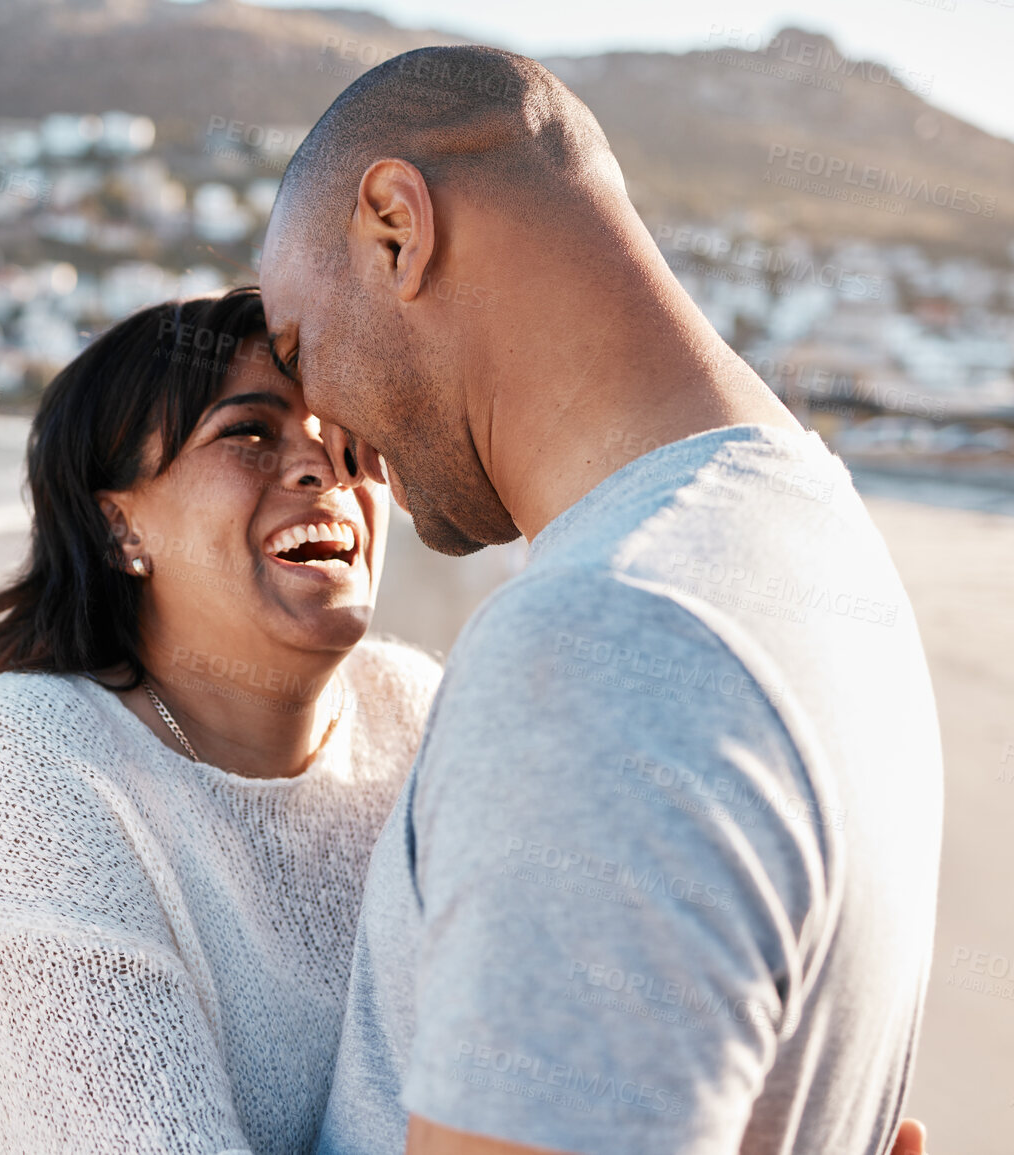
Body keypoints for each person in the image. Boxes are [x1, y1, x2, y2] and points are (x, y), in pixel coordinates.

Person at [257, 45, 943, 1155]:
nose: (325, 437)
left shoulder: (605, 644)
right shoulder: (818, 545)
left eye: (300, 347)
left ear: (396, 227)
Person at [0, 287, 443, 1154]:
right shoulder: (21, 763)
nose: (322, 467)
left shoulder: (413, 712)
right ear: (119, 524)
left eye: (340, 432)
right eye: (248, 433)